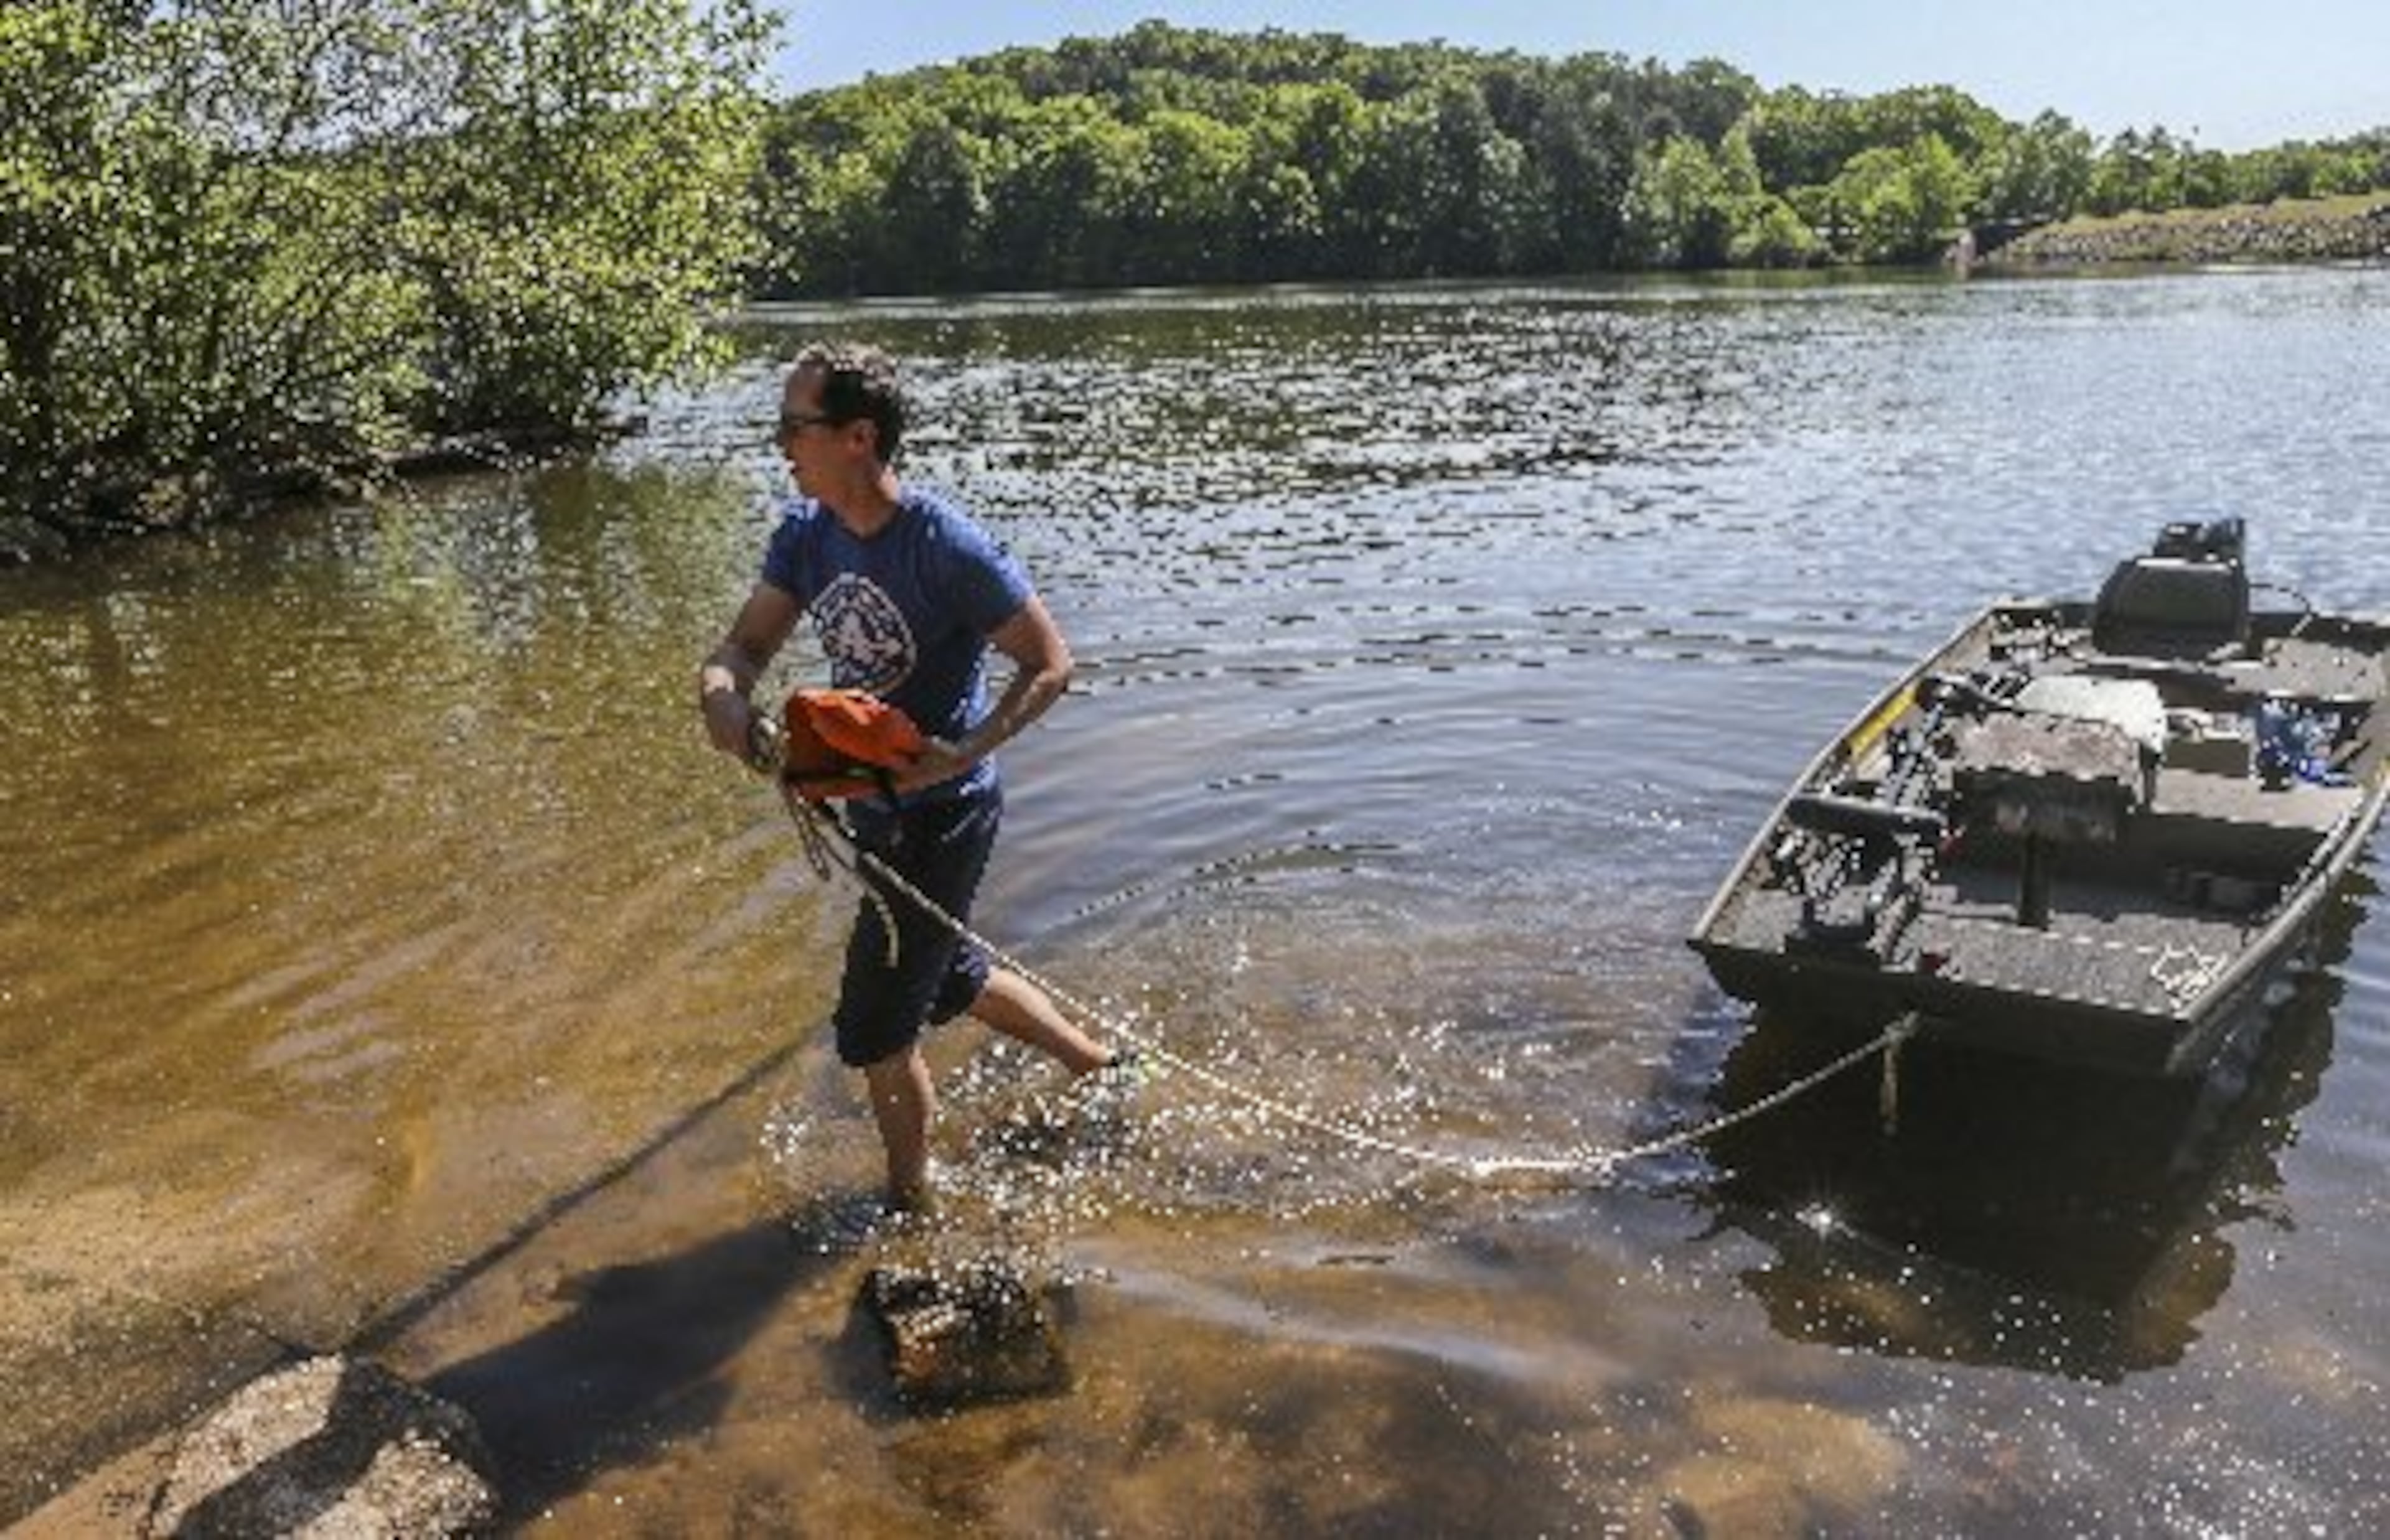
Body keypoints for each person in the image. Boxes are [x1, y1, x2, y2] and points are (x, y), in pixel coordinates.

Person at [698, 341, 1122, 1214]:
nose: (780, 442)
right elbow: (743, 647)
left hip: (948, 814)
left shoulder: (946, 547)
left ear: (858, 437)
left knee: (875, 1034)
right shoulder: (805, 537)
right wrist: (724, 698)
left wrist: (968, 748)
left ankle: (910, 1212)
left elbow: (1049, 663)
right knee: (949, 974)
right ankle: (1097, 1065)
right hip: (871, 810)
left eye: (794, 425)